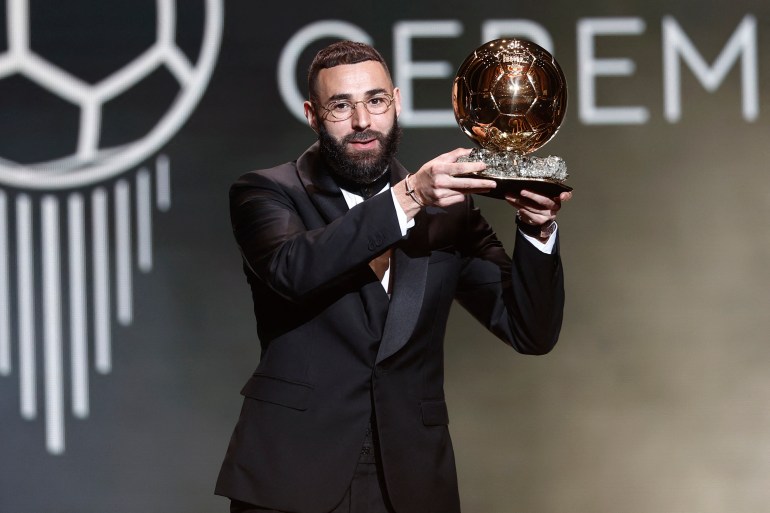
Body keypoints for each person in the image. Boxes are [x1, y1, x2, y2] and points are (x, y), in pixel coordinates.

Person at [215, 40, 571, 513]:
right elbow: (292, 270)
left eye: (376, 101)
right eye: (341, 105)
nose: (363, 121)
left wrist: (536, 229)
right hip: (291, 477)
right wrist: (409, 198)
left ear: (397, 103)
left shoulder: (452, 213)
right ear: (312, 115)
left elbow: (531, 330)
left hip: (412, 482)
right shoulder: (267, 192)